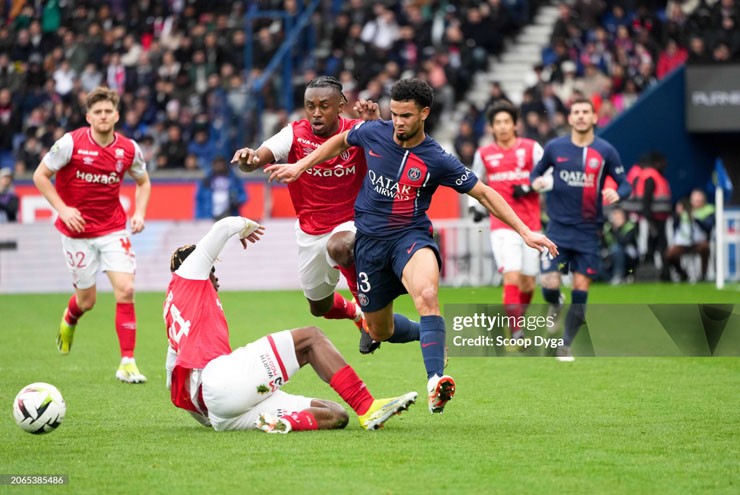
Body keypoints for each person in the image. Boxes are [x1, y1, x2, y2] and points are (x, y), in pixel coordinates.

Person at [265, 79, 557, 414]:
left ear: (425, 113)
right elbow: (340, 141)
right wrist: (300, 166)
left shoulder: (438, 159)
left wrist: (524, 232)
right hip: (370, 245)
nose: (399, 121)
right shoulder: (374, 132)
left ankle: (436, 381)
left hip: (411, 238)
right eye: (396, 113)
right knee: (380, 329)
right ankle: (428, 335)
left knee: (428, 296)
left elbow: (486, 193)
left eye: (406, 115)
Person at [165, 216, 417, 433]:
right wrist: (247, 227)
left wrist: (211, 415)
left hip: (218, 411)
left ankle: (283, 423)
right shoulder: (190, 274)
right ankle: (368, 406)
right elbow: (224, 226)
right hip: (219, 381)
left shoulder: (173, 307)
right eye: (211, 267)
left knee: (335, 414)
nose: (214, 273)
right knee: (311, 338)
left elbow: (172, 379)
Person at [231, 76, 382, 355]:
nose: (315, 112)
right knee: (319, 307)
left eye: (324, 105)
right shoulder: (294, 134)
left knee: (341, 247)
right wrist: (248, 159)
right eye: (309, 106)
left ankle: (365, 306)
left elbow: (389, 153)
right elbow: (256, 160)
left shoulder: (357, 130)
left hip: (354, 222)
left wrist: (376, 126)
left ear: (341, 105)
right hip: (310, 231)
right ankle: (355, 314)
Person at [33, 86, 151, 383]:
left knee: (126, 290)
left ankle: (127, 362)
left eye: (108, 111)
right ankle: (70, 318)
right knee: (87, 301)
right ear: (88, 116)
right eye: (97, 112)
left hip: (113, 229)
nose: (102, 116)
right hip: (76, 233)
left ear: (116, 115)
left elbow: (144, 182)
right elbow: (40, 176)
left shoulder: (128, 149)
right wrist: (62, 209)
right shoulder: (70, 144)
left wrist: (139, 213)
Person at [531, 97, 631, 361]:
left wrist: (616, 193)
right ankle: (555, 302)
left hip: (588, 232)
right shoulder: (554, 147)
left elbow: (625, 184)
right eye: (576, 112)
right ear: (570, 117)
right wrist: (538, 181)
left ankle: (565, 345)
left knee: (581, 288)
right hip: (558, 230)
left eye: (586, 112)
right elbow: (535, 175)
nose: (581, 116)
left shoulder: (606, 151)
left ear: (595, 118)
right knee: (549, 283)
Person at [468, 103, 544, 343]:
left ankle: (516, 321)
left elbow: (550, 176)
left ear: (515, 124)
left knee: (528, 281)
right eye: (497, 123)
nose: (502, 127)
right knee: (512, 276)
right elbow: (472, 181)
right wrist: (474, 208)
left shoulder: (532, 149)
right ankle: (515, 332)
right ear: (491, 127)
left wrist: (530, 186)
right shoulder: (484, 154)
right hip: (502, 227)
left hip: (531, 224)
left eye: (506, 122)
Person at [663, 189, 715, 282]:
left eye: (699, 201)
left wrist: (696, 218)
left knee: (705, 248)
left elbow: (708, 227)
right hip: (684, 242)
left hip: (699, 241)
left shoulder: (708, 210)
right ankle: (682, 274)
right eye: (694, 200)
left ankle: (703, 276)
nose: (696, 203)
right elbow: (675, 227)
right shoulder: (684, 212)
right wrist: (677, 215)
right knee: (669, 254)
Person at [195, 155, 247, 220]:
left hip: (229, 214)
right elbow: (199, 199)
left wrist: (236, 201)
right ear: (213, 165)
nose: (219, 166)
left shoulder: (234, 180)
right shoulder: (206, 181)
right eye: (217, 164)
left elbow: (243, 196)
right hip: (210, 215)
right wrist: (198, 217)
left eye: (221, 164)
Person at [602, 207, 638, 285]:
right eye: (615, 216)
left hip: (629, 258)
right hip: (611, 255)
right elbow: (604, 243)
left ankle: (618, 275)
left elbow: (623, 242)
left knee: (617, 249)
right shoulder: (608, 227)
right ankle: (610, 279)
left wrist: (616, 230)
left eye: (619, 217)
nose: (616, 219)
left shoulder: (629, 226)